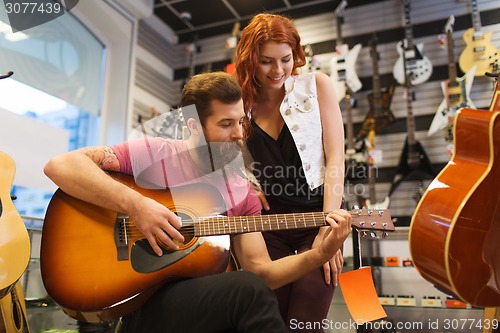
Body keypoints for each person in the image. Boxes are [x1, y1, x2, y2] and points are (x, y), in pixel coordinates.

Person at [43, 71, 351, 333]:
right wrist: (137, 205)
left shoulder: (239, 190)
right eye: (225, 124)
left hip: (191, 303)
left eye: (241, 122)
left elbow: (261, 272)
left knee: (249, 287)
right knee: (247, 291)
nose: (239, 135)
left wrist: (319, 253)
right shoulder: (154, 153)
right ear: (194, 127)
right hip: (137, 302)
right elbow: (60, 166)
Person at [234, 13, 346, 332]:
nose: (278, 70)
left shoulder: (317, 85)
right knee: (269, 315)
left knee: (307, 318)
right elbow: (220, 157)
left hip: (318, 216)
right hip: (266, 223)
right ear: (250, 60)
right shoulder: (239, 102)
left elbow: (336, 156)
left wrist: (330, 228)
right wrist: (245, 184)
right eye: (266, 61)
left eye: (285, 59)